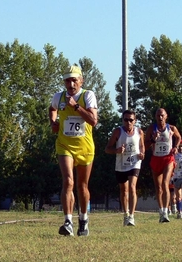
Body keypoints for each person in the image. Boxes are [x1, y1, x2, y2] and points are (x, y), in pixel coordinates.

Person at [49, 64, 98, 236]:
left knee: (82, 186)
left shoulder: (87, 95)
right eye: (67, 81)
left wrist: (76, 106)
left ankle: (83, 220)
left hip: (85, 148)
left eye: (74, 80)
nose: (70, 84)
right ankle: (68, 221)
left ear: (81, 81)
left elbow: (93, 121)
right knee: (68, 181)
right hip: (65, 145)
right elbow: (52, 109)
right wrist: (53, 123)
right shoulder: (59, 97)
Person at [105, 110, 145, 226]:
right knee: (124, 189)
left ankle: (132, 216)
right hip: (121, 164)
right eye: (126, 120)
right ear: (122, 120)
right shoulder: (118, 132)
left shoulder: (139, 132)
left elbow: (142, 146)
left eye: (131, 120)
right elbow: (107, 148)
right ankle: (126, 214)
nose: (128, 122)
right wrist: (116, 151)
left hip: (135, 163)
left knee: (132, 187)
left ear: (135, 121)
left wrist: (142, 154)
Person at [145, 108, 182, 223]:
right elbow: (145, 146)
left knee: (165, 183)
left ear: (166, 116)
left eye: (162, 115)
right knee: (158, 187)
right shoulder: (152, 128)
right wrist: (152, 139)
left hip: (168, 158)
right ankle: (161, 211)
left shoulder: (171, 128)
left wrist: (175, 147)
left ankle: (166, 212)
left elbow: (179, 137)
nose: (160, 117)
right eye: (157, 116)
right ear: (155, 117)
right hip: (156, 158)